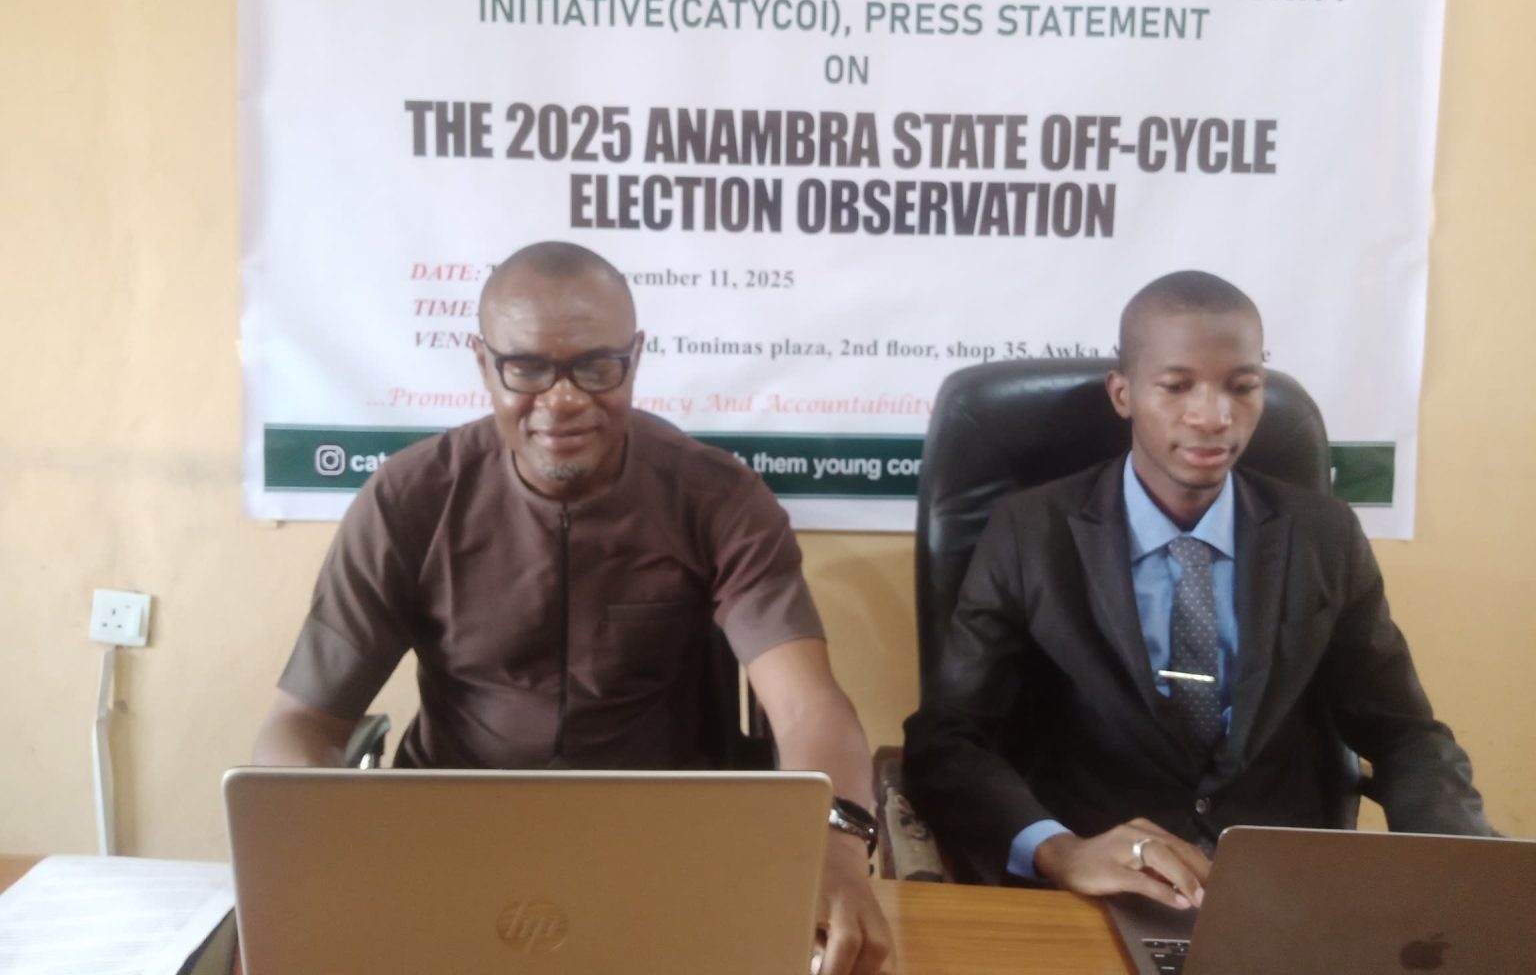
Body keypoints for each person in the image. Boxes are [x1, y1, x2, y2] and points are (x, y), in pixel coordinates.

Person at [255, 240, 893, 975]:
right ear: (482, 363)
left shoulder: (719, 500)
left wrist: (837, 851)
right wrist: (319, 854)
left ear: (636, 359)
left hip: (666, 856)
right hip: (450, 846)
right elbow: (300, 725)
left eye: (596, 366)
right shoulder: (409, 500)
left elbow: (809, 708)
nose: (562, 399)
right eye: (526, 368)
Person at [902, 270, 1490, 905]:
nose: (1213, 416)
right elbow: (948, 739)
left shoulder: (1323, 536)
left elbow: (1404, 733)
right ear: (1123, 394)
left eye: (1242, 387)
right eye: (1177, 386)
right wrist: (1061, 851)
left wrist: (1467, 865)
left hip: (1281, 894)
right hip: (1098, 891)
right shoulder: (1030, 534)